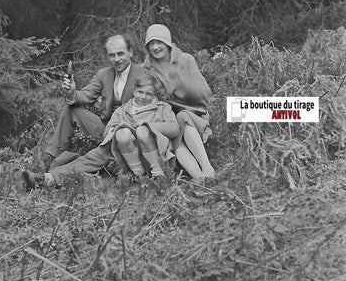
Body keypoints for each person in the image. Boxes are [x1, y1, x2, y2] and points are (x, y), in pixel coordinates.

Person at [23, 74, 179, 188]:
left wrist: (148, 126)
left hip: (151, 157)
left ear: (155, 95)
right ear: (134, 91)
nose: (143, 97)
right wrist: (120, 128)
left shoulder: (162, 108)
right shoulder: (123, 110)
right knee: (89, 158)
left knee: (136, 133)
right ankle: (47, 179)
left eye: (148, 94)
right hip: (122, 152)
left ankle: (146, 178)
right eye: (140, 92)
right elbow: (109, 131)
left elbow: (174, 128)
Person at [24, 34, 145, 177]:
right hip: (104, 128)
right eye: (112, 55)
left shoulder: (143, 74)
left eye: (120, 54)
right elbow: (87, 95)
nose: (116, 59)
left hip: (126, 133)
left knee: (101, 154)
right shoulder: (104, 74)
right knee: (70, 109)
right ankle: (49, 158)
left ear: (130, 52)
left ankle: (55, 173)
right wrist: (72, 93)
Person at [142, 23, 216, 181]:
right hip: (169, 116)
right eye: (151, 44)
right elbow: (144, 95)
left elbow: (203, 92)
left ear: (167, 43)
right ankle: (200, 178)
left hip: (194, 111)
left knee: (184, 117)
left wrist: (179, 93)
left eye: (159, 42)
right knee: (175, 139)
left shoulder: (186, 60)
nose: (155, 47)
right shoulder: (146, 69)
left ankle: (207, 168)